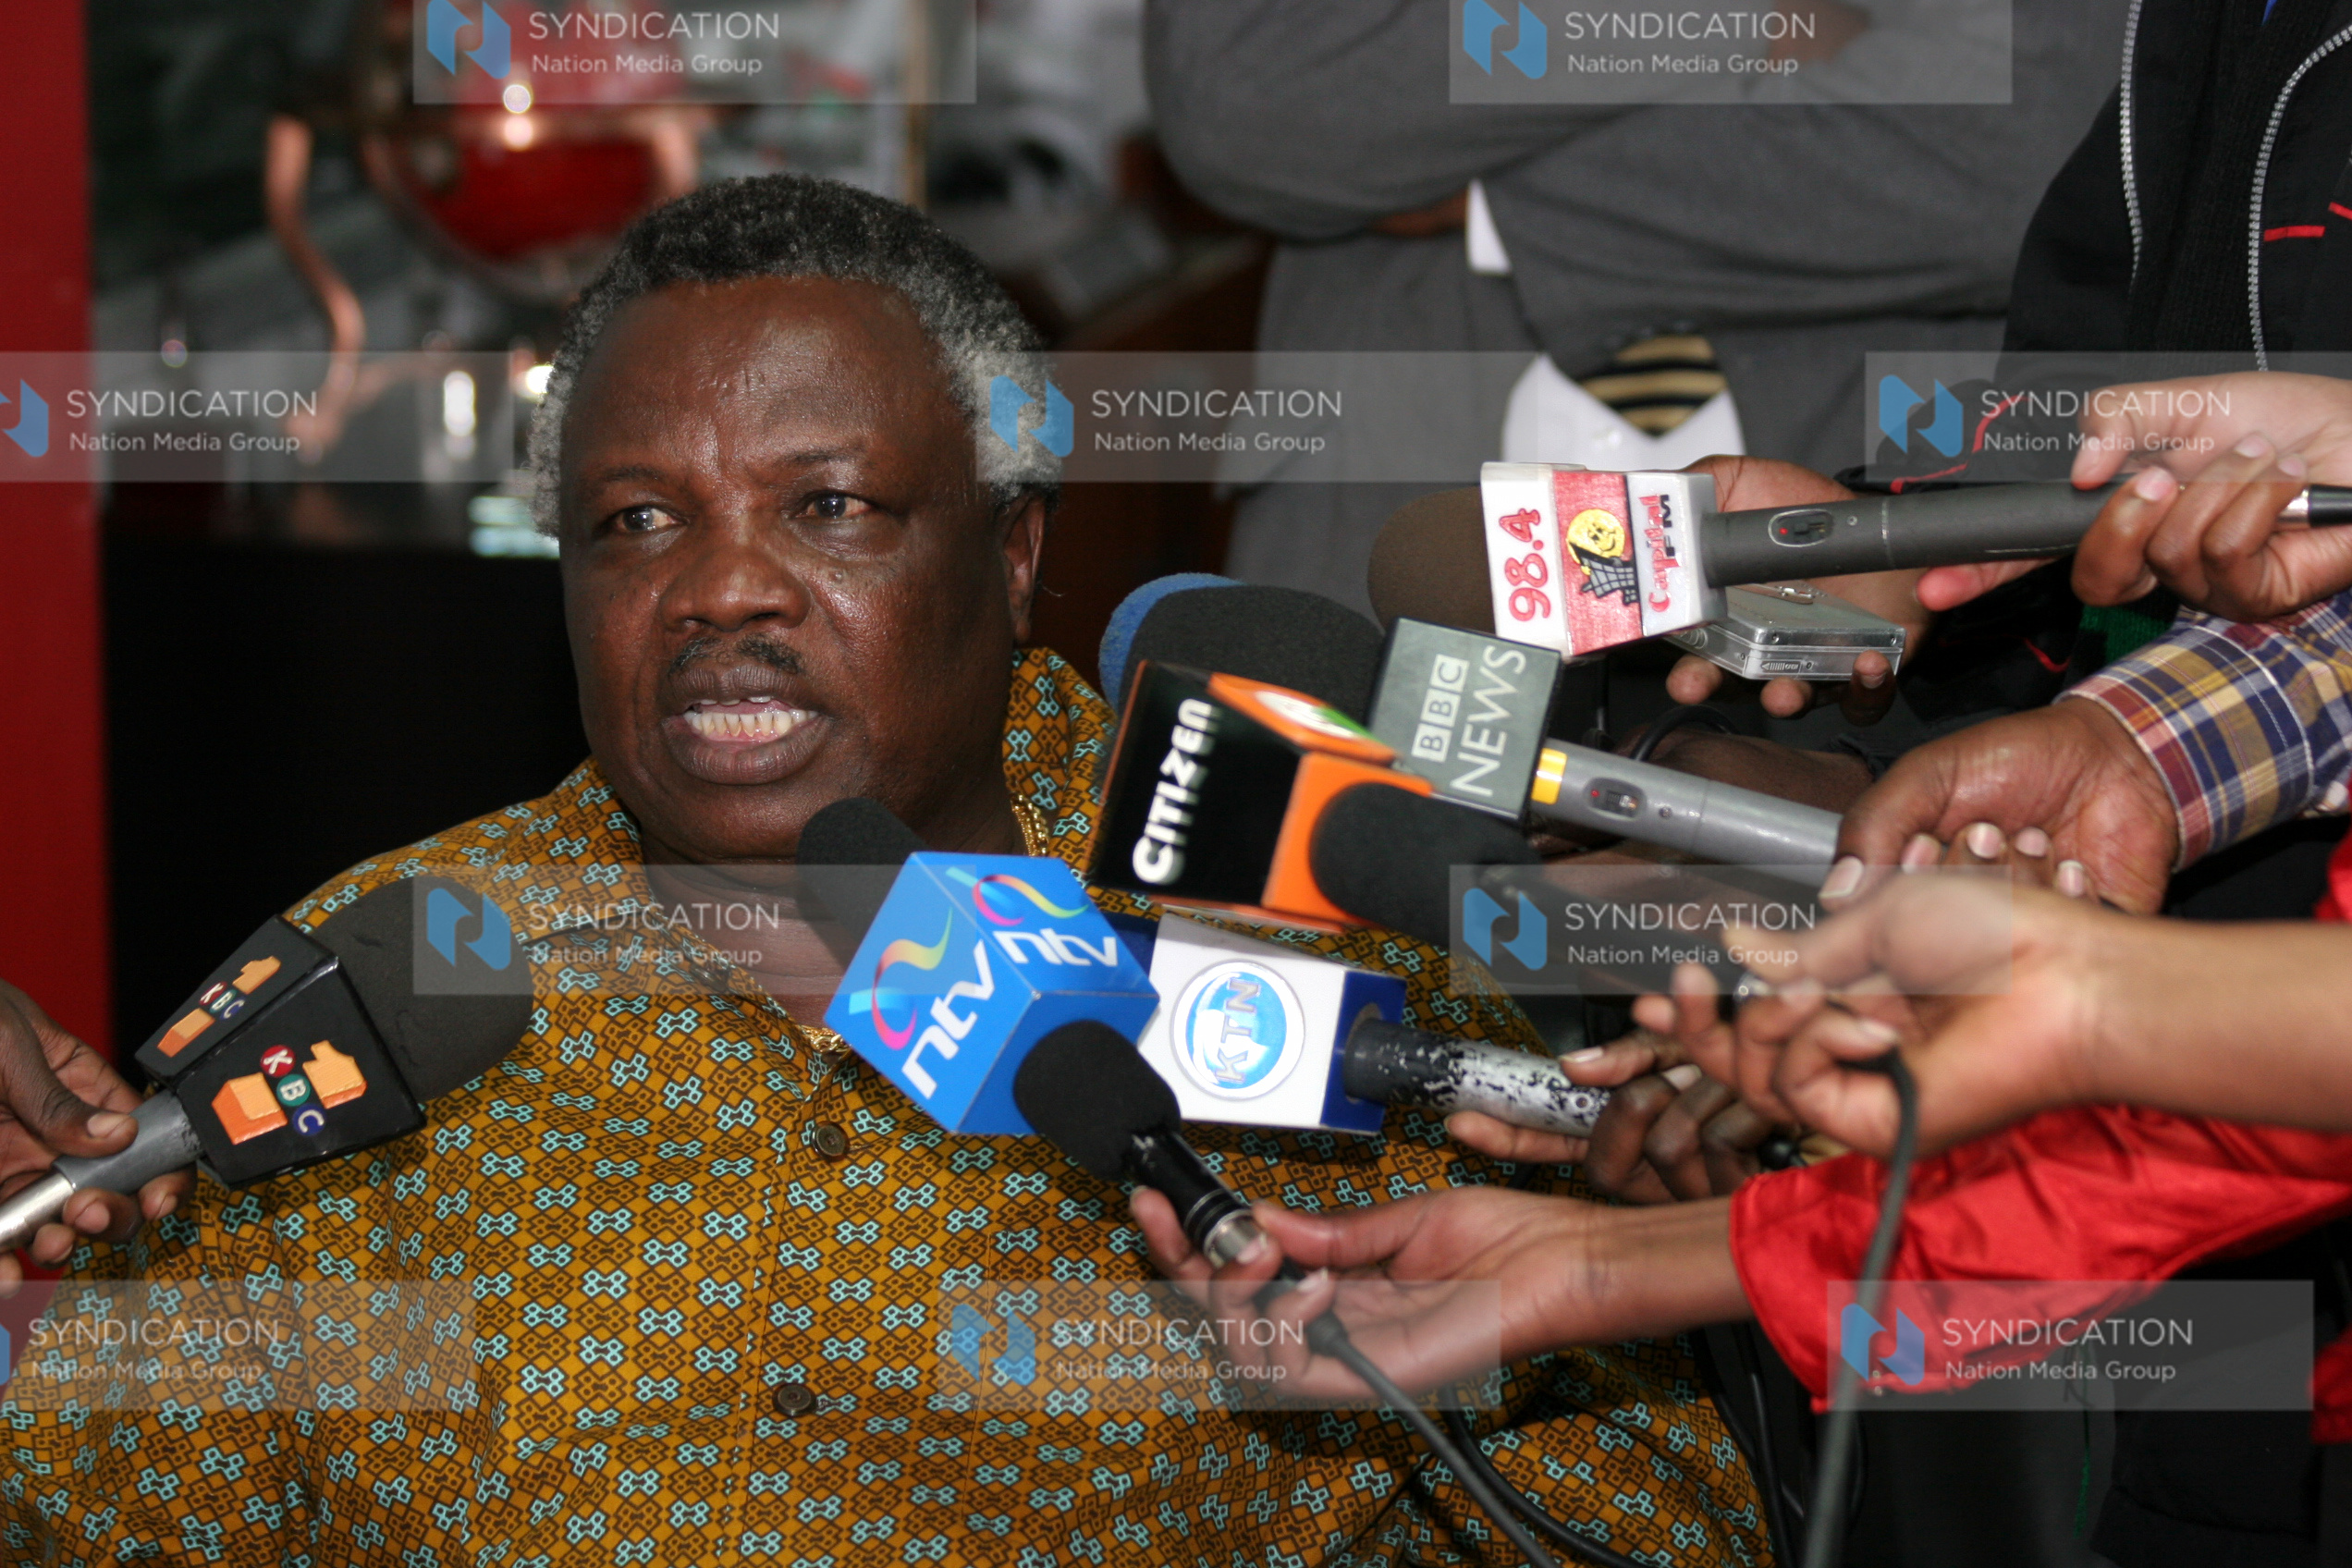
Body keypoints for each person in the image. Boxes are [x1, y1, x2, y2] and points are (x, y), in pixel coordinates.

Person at [0, 176, 1766, 1564]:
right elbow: (102, 1511)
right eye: (636, 523)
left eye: (829, 506)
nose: (721, 591)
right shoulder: (384, 983)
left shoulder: (1298, 905)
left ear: (1015, 557)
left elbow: (1655, 1517)